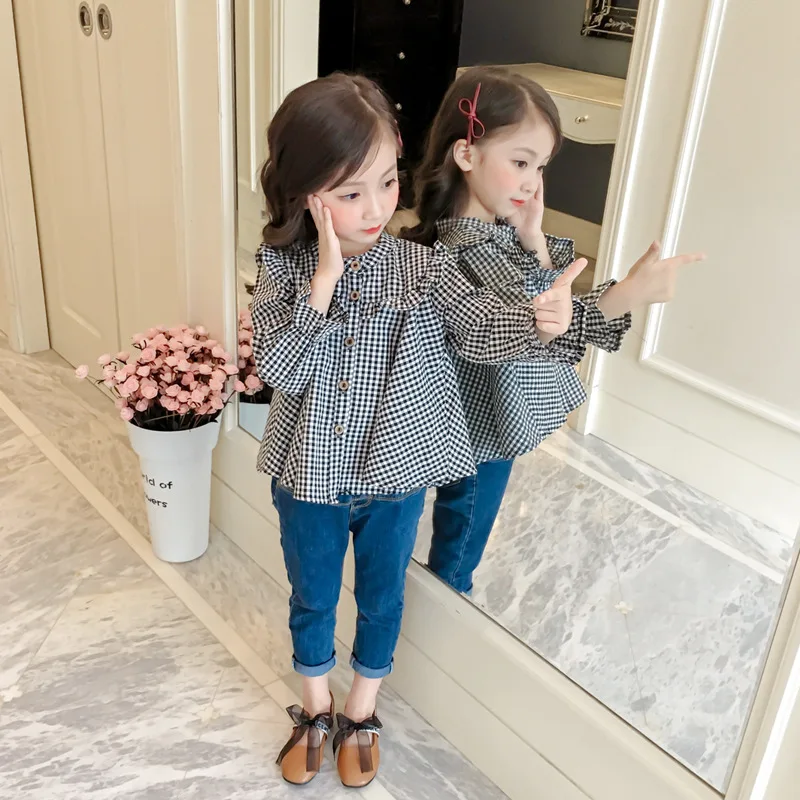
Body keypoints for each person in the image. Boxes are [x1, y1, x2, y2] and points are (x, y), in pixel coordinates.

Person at [250, 72, 589, 788]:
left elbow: (478, 330)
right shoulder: (282, 267)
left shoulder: (420, 265)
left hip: (395, 473)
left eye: (386, 183)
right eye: (350, 194)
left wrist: (540, 317)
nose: (377, 208)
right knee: (312, 595)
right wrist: (323, 284)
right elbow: (281, 367)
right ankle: (316, 708)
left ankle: (361, 710)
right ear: (304, 193)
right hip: (308, 473)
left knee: (383, 597)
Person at [405, 66, 705, 596]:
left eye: (540, 167)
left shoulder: (493, 238)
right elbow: (545, 323)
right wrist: (625, 294)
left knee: (461, 521)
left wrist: (534, 241)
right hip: (480, 424)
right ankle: (447, 600)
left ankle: (442, 592)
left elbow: (546, 311)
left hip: (483, 416)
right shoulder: (467, 250)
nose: (532, 182)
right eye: (520, 162)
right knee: (463, 530)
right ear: (466, 153)